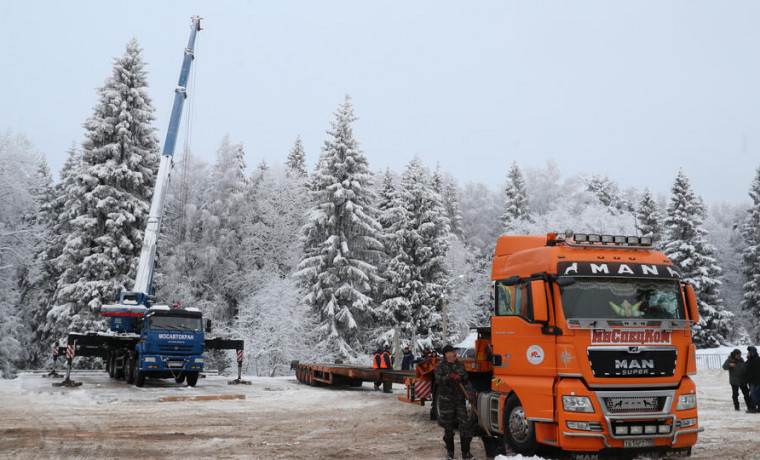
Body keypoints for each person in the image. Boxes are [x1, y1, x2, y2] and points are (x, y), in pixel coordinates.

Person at [434, 344, 475, 460]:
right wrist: (450, 376)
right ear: (446, 354)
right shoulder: (440, 366)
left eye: (454, 352)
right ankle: (450, 452)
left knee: (465, 426)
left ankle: (466, 453)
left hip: (459, 400)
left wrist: (469, 395)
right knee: (448, 427)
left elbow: (465, 379)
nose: (454, 354)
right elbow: (439, 380)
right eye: (452, 352)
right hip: (446, 401)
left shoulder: (460, 364)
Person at [745, 346, 760, 413]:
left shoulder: (755, 360)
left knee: (754, 395)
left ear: (752, 353)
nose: (747, 354)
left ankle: (753, 408)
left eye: (748, 352)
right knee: (755, 394)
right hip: (753, 381)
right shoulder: (750, 360)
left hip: (755, 381)